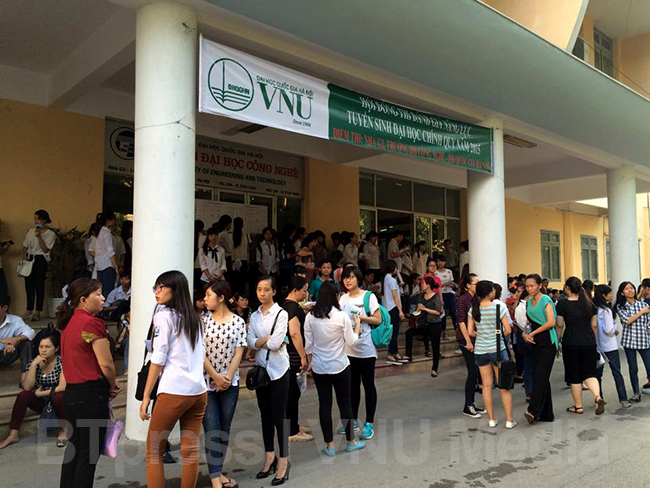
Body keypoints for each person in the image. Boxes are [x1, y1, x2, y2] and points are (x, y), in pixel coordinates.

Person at [140, 271, 208, 488]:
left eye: (161, 287)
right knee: (191, 451)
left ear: (174, 290)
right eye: (155, 287)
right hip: (198, 391)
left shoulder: (163, 317)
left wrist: (146, 396)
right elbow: (201, 355)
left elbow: (158, 359)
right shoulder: (196, 319)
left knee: (154, 450)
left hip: (174, 390)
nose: (156, 292)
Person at [58, 277, 121, 488]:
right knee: (88, 455)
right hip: (90, 395)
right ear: (83, 299)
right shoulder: (91, 323)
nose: (103, 298)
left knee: (75, 449)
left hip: (72, 394)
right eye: (98, 294)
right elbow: (106, 364)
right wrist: (112, 384)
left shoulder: (68, 324)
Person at [304, 281, 365, 456]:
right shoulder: (342, 316)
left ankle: (329, 445)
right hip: (339, 365)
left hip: (319, 367)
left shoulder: (310, 317)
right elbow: (352, 341)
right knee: (345, 403)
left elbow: (309, 346)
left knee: (324, 404)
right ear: (336, 296)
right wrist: (357, 326)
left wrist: (309, 363)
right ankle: (351, 441)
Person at [202, 280, 247, 488]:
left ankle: (217, 473)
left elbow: (239, 351)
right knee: (211, 428)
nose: (205, 299)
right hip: (206, 383)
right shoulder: (203, 321)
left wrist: (226, 377)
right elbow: (199, 352)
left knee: (224, 428)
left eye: (208, 295)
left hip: (230, 383)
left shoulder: (238, 322)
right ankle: (215, 480)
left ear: (221, 298)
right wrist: (215, 376)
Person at [247, 276, 291, 485]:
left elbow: (276, 344)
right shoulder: (255, 315)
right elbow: (249, 342)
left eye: (266, 289)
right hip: (261, 372)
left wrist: (260, 342)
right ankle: (269, 457)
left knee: (279, 418)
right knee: (265, 416)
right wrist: (265, 340)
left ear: (274, 291)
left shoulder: (281, 314)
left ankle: (284, 460)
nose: (262, 293)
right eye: (259, 289)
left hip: (279, 370)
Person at [1, 328, 67, 449]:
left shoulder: (61, 362)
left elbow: (62, 387)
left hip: (59, 401)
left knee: (59, 397)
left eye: (48, 347)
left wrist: (40, 393)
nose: (43, 350)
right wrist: (34, 365)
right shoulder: (34, 362)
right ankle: (13, 434)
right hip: (44, 402)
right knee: (23, 395)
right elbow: (27, 386)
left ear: (56, 348)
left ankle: (63, 430)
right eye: (41, 346)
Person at [339, 266, 382, 440]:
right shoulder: (343, 298)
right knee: (352, 386)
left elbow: (378, 319)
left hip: (365, 348)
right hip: (349, 349)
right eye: (345, 278)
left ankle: (369, 423)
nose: (347, 281)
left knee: (368, 385)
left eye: (351, 277)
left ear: (358, 278)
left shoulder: (368, 297)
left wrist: (361, 318)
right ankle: (353, 421)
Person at [467, 280, 516, 428]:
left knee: (486, 386)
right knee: (503, 386)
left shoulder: (473, 309)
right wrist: (497, 335)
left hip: (481, 351)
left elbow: (470, 332)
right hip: (497, 350)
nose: (494, 292)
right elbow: (508, 330)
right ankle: (509, 420)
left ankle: (491, 419)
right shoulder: (498, 308)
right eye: (493, 290)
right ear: (489, 293)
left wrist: (482, 334)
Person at [556, 277, 605, 415]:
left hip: (571, 342)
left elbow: (559, 324)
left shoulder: (562, 304)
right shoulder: (589, 303)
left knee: (574, 375)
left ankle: (578, 406)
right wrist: (593, 341)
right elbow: (594, 325)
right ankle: (597, 397)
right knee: (590, 373)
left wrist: (557, 341)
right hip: (588, 342)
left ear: (567, 288)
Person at [523, 274, 558, 424]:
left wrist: (532, 333)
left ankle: (533, 411)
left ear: (539, 285)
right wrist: (525, 334)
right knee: (541, 377)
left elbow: (551, 322)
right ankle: (547, 414)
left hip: (548, 341)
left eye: (532, 285)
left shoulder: (546, 300)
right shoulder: (528, 302)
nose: (529, 289)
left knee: (539, 376)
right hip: (535, 342)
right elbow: (528, 323)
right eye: (527, 286)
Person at [282, 276, 313, 443]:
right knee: (292, 394)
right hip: (293, 356)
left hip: (288, 355)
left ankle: (293, 424)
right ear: (295, 291)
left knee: (292, 393)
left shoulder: (285, 306)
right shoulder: (292, 308)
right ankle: (291, 430)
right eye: (304, 291)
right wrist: (303, 356)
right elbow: (294, 333)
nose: (305, 294)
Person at [593, 284, 631, 408]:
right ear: (604, 295)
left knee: (598, 374)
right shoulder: (607, 310)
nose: (611, 295)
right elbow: (608, 330)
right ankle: (623, 399)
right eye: (609, 293)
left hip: (598, 346)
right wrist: (615, 330)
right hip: (610, 345)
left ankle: (599, 398)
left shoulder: (595, 308)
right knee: (617, 373)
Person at [613, 281, 650, 402]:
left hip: (643, 340)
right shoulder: (621, 307)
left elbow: (648, 321)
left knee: (649, 366)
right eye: (627, 289)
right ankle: (636, 393)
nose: (630, 290)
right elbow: (627, 320)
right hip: (629, 342)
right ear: (622, 293)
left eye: (632, 288)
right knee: (633, 368)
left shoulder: (643, 304)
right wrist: (642, 311)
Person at [456, 274, 486, 418]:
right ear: (468, 285)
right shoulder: (463, 300)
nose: (478, 286)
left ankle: (472, 403)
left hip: (475, 337)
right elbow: (461, 321)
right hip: (465, 339)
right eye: (476, 283)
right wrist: (468, 341)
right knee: (472, 371)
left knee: (476, 372)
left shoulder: (476, 299)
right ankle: (468, 405)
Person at [22, 209, 57, 321]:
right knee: (29, 285)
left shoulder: (50, 234)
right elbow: (25, 246)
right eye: (35, 219)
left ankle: (37, 311)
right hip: (30, 258)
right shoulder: (31, 231)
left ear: (44, 220)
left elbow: (46, 249)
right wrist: (25, 257)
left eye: (38, 219)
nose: (36, 221)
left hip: (41, 259)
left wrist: (39, 237)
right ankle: (29, 310)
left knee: (39, 286)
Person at [405, 277, 443, 376]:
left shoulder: (436, 297)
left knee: (435, 346)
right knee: (409, 333)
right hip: (423, 323)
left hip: (434, 324)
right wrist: (418, 308)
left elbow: (438, 312)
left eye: (423, 283)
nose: (421, 285)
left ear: (428, 285)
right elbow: (418, 310)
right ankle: (408, 356)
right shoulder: (421, 296)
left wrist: (425, 309)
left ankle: (434, 368)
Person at [0, 295, 35, 384]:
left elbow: (30, 332)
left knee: (26, 343)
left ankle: (26, 375)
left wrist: (15, 340)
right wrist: (2, 340)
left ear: (5, 307)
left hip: (5, 355)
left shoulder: (15, 320)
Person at [383, 260, 406, 365]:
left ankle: (395, 352)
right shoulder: (392, 280)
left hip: (388, 308)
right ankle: (390, 354)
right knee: (394, 333)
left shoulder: (385, 278)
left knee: (394, 332)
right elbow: (395, 295)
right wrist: (400, 310)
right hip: (393, 308)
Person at [93, 212, 118, 297]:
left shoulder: (100, 232)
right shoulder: (107, 234)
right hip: (107, 265)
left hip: (100, 265)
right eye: (114, 219)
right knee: (109, 291)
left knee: (101, 291)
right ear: (109, 221)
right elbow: (110, 251)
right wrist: (116, 266)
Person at [435, 254, 457, 341]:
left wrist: (452, 285)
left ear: (445, 262)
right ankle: (444, 331)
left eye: (442, 261)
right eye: (438, 261)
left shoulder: (449, 271)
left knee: (453, 312)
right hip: (440, 294)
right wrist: (444, 284)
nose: (440, 263)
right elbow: (435, 286)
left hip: (449, 293)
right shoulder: (435, 273)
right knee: (443, 313)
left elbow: (452, 282)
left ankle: (457, 330)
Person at [231, 217, 250, 295]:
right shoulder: (246, 235)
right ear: (242, 225)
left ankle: (233, 299)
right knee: (242, 282)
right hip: (243, 260)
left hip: (233, 260)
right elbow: (248, 249)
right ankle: (241, 298)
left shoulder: (230, 235)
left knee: (234, 282)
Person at [194, 220, 206, 291]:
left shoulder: (189, 236)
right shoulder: (204, 238)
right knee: (200, 286)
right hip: (200, 264)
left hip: (191, 264)